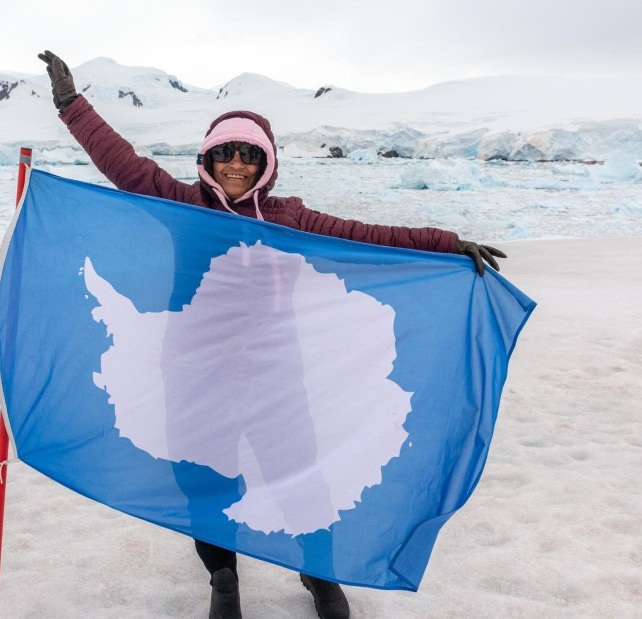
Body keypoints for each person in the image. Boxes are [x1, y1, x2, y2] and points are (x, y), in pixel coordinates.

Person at [38, 50, 505, 619]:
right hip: (194, 373)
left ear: (267, 162)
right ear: (208, 160)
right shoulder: (182, 204)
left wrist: (447, 244)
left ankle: (319, 573)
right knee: (202, 479)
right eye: (225, 153)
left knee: (302, 480)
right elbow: (121, 163)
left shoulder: (290, 216)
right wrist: (71, 104)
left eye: (249, 155)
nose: (236, 164)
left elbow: (366, 235)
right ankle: (224, 578)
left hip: (275, 376)